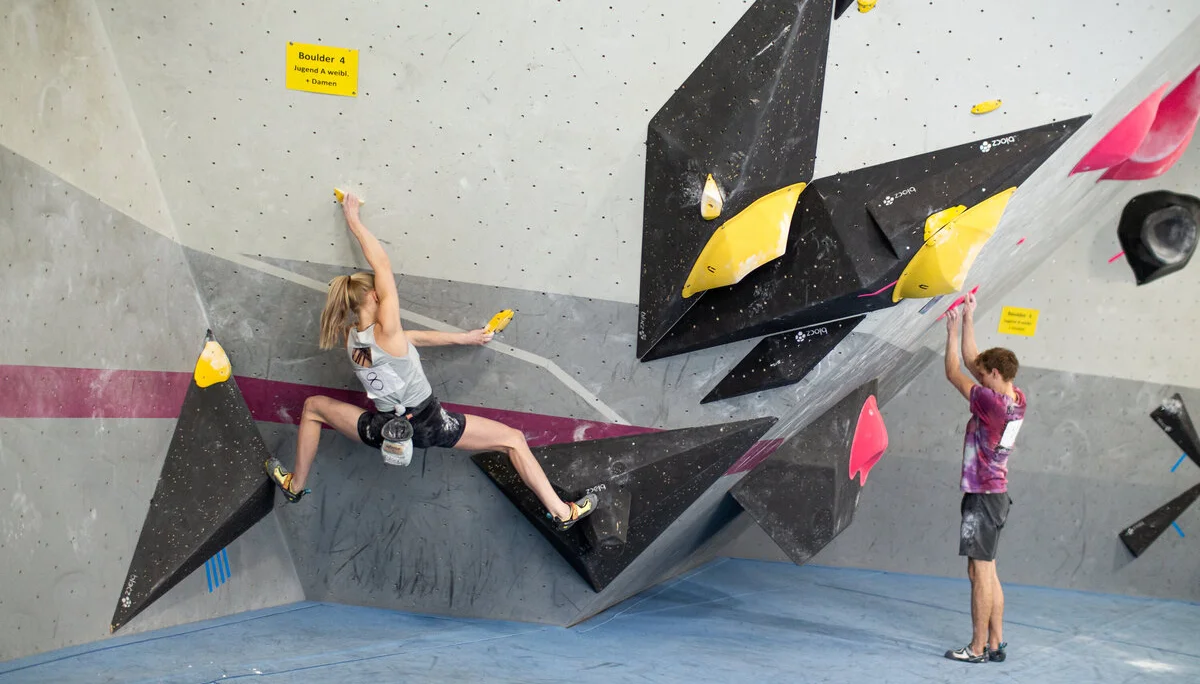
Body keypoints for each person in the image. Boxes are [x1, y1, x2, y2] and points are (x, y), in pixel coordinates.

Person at [264, 192, 597, 531]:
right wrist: (353, 219)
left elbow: (410, 341)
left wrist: (464, 338)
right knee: (512, 439)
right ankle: (561, 511)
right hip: (429, 424)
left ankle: (294, 486)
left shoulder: (355, 339)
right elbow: (382, 264)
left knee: (314, 407)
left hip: (383, 429)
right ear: (376, 296)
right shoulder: (388, 331)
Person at [941, 293, 1025, 664]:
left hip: (982, 496)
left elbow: (955, 373)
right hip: (998, 495)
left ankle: (976, 649)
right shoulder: (1016, 396)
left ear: (995, 377)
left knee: (979, 571)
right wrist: (970, 315)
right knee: (989, 570)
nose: (982, 375)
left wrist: (952, 329)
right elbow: (977, 364)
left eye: (985, 374)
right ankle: (996, 643)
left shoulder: (991, 404)